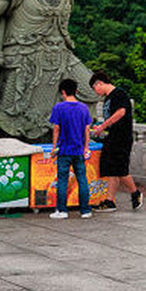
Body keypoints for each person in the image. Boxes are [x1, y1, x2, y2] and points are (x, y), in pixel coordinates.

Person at [47, 78, 94, 219]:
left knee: (62, 179)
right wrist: (86, 147)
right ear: (76, 91)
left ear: (63, 92)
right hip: (79, 150)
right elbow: (87, 129)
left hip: (64, 150)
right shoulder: (84, 108)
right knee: (82, 179)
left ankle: (62, 210)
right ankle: (85, 210)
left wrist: (54, 147)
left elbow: (56, 128)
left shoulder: (59, 108)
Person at [91, 73, 139, 210]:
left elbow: (121, 112)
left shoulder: (119, 94)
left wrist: (103, 126)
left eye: (95, 89)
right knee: (111, 168)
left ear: (99, 83)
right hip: (111, 137)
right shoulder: (109, 98)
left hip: (121, 137)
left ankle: (135, 192)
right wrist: (100, 126)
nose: (96, 93)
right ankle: (110, 201)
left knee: (120, 168)